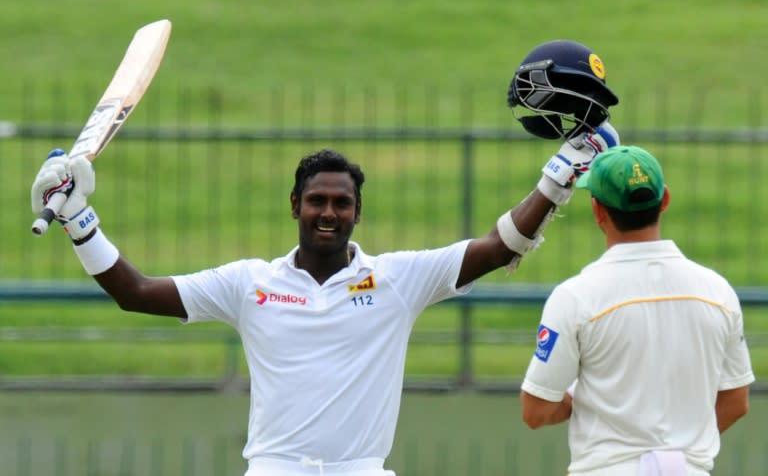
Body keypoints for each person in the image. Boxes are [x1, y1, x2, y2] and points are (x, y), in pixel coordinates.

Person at [31, 39, 620, 476]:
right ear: (295, 205)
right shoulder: (248, 284)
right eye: (317, 201)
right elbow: (134, 293)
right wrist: (80, 220)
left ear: (358, 212)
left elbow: (498, 248)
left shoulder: (395, 280)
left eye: (342, 202)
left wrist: (559, 176)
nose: (329, 212)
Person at [520, 145, 755, 476]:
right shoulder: (718, 292)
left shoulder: (575, 297)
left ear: (598, 211)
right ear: (666, 200)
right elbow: (736, 401)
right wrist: (679, 446)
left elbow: (535, 411)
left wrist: (575, 402)